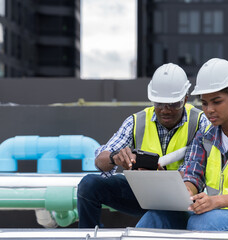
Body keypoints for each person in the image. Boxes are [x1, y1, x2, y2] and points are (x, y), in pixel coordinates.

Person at [136, 58, 228, 232]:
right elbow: (192, 176)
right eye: (204, 103)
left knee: (202, 223)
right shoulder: (205, 135)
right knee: (158, 217)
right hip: (216, 214)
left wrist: (214, 201)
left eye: (216, 101)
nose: (209, 109)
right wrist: (185, 193)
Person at [77, 63, 210, 228]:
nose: (165, 110)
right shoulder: (137, 122)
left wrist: (161, 178)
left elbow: (195, 171)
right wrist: (115, 157)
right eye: (159, 103)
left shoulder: (200, 122)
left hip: (182, 198)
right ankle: (89, 236)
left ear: (185, 99)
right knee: (90, 185)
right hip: (142, 193)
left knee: (159, 215)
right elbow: (100, 161)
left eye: (173, 104)